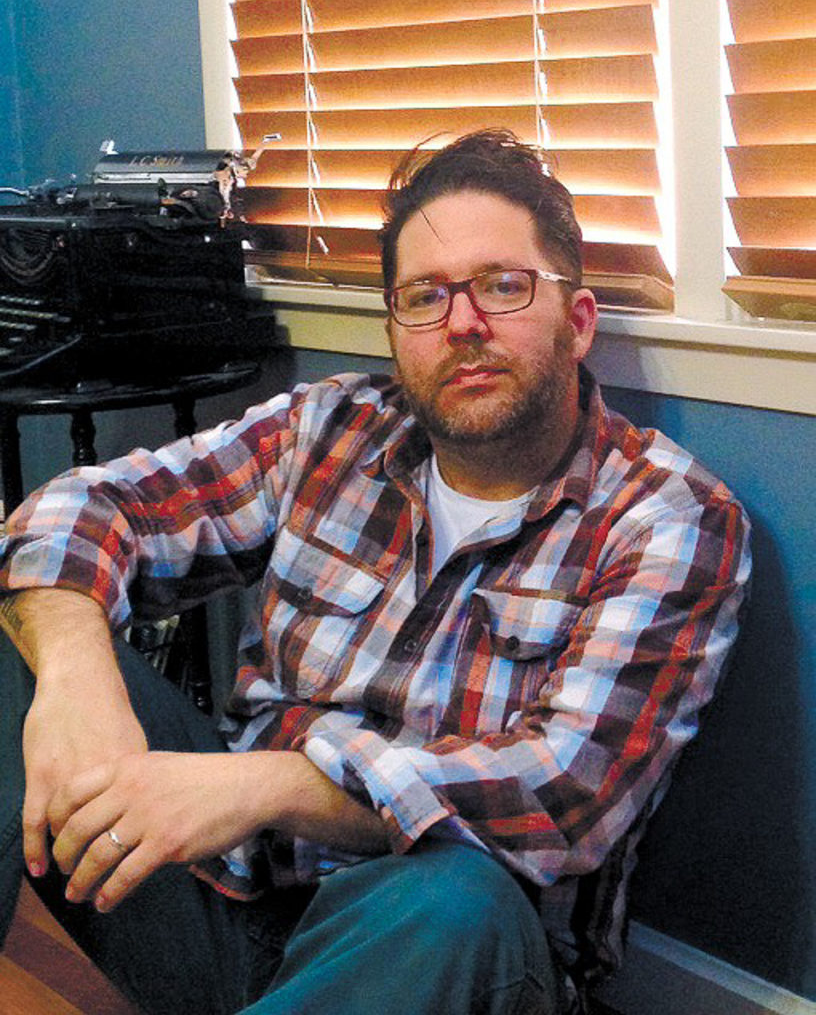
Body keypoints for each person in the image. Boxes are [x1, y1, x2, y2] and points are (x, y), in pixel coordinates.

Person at [0, 130, 751, 1015]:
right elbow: (88, 510)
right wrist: (78, 682)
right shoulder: (331, 430)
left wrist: (259, 785)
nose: (463, 324)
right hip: (225, 890)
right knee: (31, 636)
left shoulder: (669, 517)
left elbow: (563, 793)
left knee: (461, 901)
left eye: (505, 287)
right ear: (395, 332)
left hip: (435, 949)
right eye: (425, 298)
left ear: (577, 320)